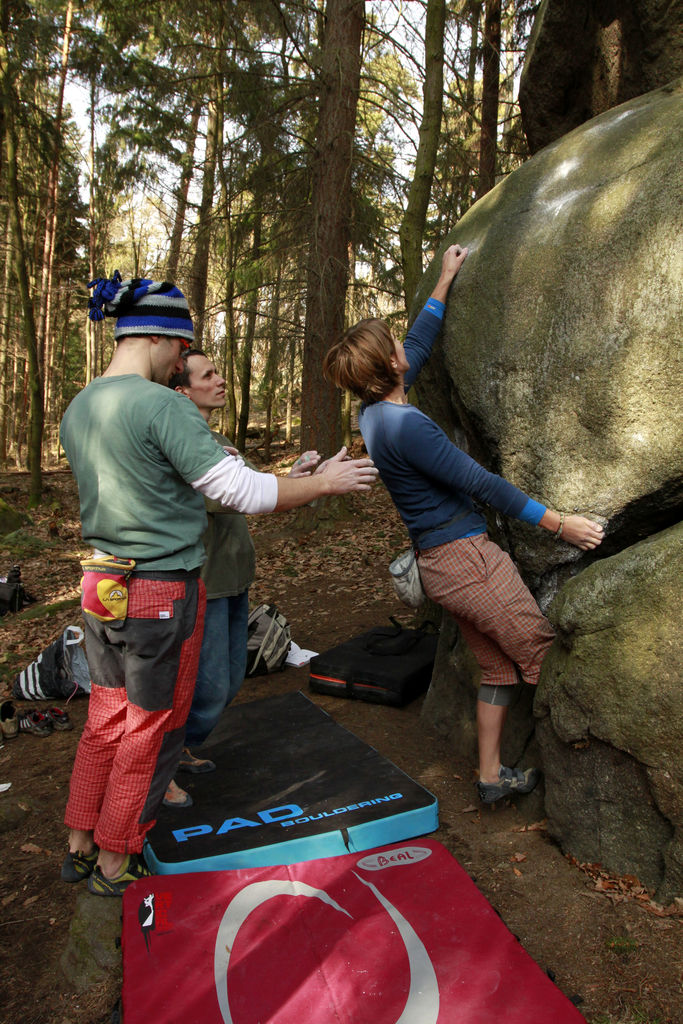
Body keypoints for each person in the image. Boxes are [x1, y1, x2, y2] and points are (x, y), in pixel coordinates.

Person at [60, 272, 378, 895]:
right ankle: (115, 862)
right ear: (158, 337)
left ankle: (78, 843)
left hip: (101, 584)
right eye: (182, 348)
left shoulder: (82, 404)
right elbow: (239, 490)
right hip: (158, 589)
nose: (183, 360)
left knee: (104, 717)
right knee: (148, 726)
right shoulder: (161, 404)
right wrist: (322, 484)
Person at [323, 244, 604, 804]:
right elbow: (483, 484)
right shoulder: (408, 429)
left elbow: (420, 344)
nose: (404, 346)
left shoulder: (374, 413)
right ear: (388, 366)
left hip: (441, 564)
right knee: (542, 651)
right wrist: (560, 524)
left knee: (499, 668)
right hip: (466, 559)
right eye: (393, 345)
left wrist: (447, 277)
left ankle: (490, 776)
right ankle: (587, 786)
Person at [163, 350, 325, 807]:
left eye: (218, 372)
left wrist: (289, 479)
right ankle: (164, 760)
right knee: (209, 684)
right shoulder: (181, 441)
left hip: (235, 577)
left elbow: (249, 494)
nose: (219, 380)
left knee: (231, 679)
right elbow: (225, 497)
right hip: (204, 582)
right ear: (182, 389)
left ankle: (179, 749)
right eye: (208, 375)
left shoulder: (216, 438)